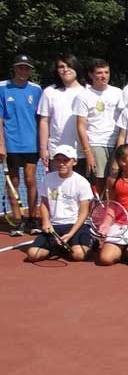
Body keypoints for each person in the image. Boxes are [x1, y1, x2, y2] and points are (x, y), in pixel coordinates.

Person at [26, 145, 93, 263]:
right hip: (54, 226)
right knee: (33, 255)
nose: (61, 164)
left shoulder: (82, 182)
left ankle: (91, 242)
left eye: (66, 160)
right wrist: (46, 221)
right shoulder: (48, 179)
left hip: (76, 225)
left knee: (79, 255)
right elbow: (44, 203)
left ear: (74, 162)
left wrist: (70, 233)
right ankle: (56, 247)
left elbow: (84, 212)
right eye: (58, 160)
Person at [0, 54, 42, 236]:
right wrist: (1, 144)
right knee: (13, 181)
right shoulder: (2, 87)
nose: (23, 71)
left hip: (32, 144)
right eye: (20, 67)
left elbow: (41, 118)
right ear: (14, 68)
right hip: (11, 144)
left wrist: (42, 143)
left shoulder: (36, 90)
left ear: (31, 70)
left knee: (31, 180)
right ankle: (17, 220)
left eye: (26, 68)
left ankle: (32, 218)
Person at [74, 58, 122, 194]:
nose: (104, 76)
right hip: (96, 143)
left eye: (106, 72)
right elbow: (80, 126)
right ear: (91, 75)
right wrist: (88, 152)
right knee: (99, 181)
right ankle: (98, 211)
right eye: (99, 73)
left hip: (116, 143)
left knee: (115, 179)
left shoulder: (118, 93)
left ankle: (111, 210)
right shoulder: (83, 96)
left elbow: (124, 120)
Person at [38, 54, 85, 173]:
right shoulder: (49, 92)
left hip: (82, 152)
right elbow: (44, 121)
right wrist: (44, 149)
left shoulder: (87, 91)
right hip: (57, 151)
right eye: (61, 67)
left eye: (69, 66)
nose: (65, 69)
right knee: (56, 190)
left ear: (76, 68)